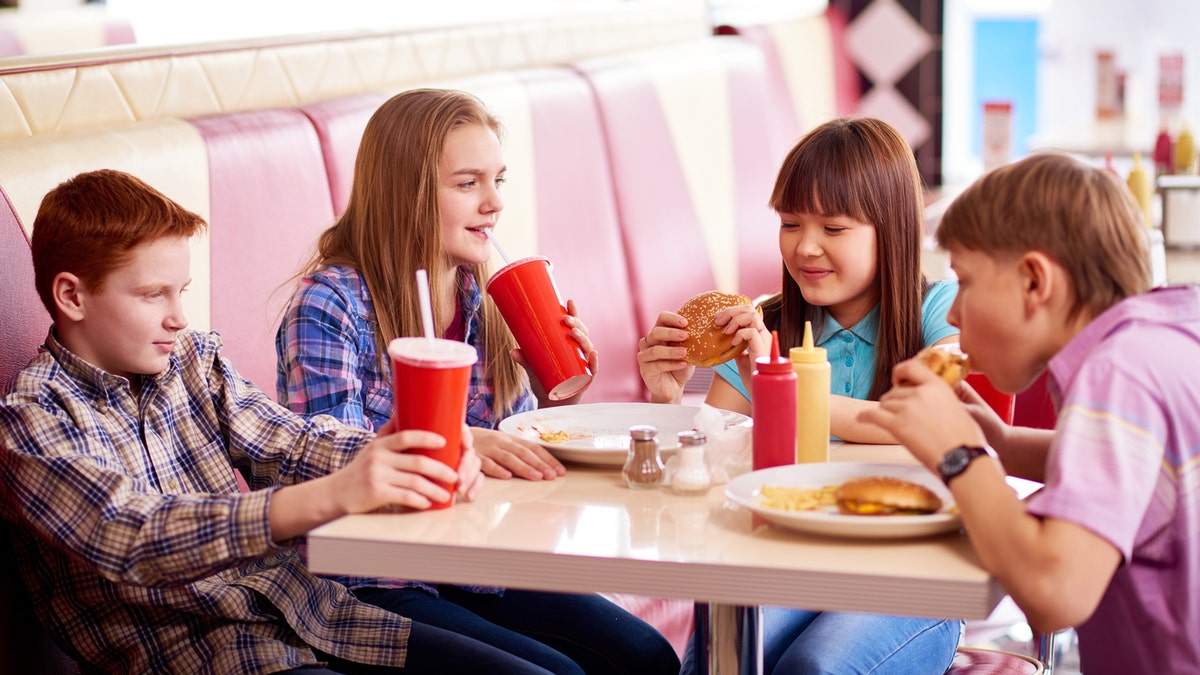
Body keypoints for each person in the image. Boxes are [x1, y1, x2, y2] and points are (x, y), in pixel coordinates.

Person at [0, 168, 609, 674]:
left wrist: (394, 452)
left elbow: (291, 441)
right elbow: (132, 534)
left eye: (181, 291)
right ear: (73, 297)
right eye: (153, 295)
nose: (178, 317)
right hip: (201, 653)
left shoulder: (193, 361)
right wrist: (336, 493)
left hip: (310, 610)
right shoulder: (33, 420)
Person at [276, 88, 680, 675]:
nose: (493, 203)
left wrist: (554, 401)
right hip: (369, 582)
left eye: (498, 181)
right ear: (405, 194)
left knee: (645, 657)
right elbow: (332, 466)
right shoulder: (329, 304)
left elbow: (511, 466)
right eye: (468, 184)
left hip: (475, 563)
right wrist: (461, 439)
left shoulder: (484, 300)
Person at [637, 116, 961, 674]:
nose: (805, 246)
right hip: (782, 558)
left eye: (834, 229)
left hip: (911, 573)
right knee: (719, 661)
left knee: (813, 668)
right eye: (790, 223)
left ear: (894, 229)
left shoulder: (942, 310)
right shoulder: (767, 327)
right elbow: (707, 461)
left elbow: (928, 416)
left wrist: (778, 382)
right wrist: (666, 404)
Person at [862, 152, 1199, 674]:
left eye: (966, 282)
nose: (952, 312)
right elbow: (1141, 473)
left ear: (1035, 282)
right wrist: (1003, 442)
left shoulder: (1115, 374)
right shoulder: (1162, 339)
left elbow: (1054, 592)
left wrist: (960, 455)